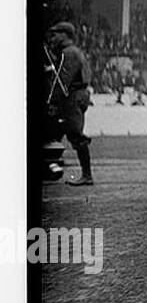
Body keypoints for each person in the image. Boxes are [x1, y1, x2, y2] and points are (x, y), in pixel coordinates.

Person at [44, 21, 94, 186]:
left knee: (75, 135)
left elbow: (61, 81)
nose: (54, 37)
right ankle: (53, 167)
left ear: (65, 35)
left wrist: (52, 102)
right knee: (57, 133)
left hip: (71, 97)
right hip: (77, 95)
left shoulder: (68, 53)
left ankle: (86, 175)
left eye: (57, 34)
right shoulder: (74, 52)